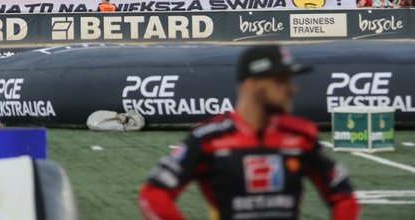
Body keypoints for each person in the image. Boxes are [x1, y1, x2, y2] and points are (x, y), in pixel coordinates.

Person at [138, 43, 358, 219]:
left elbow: (343, 196)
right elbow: (153, 194)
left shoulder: (301, 135)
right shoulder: (209, 138)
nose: (292, 89)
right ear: (252, 84)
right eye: (281, 81)